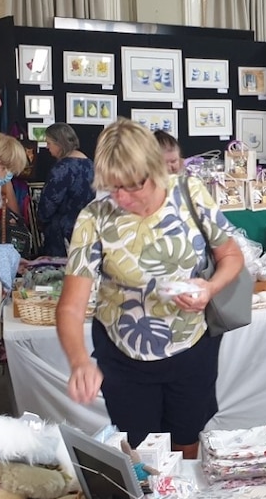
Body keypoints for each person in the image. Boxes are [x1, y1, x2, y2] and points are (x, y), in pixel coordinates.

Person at [56, 118, 245, 458]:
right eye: (114, 188)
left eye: (133, 185)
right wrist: (79, 361)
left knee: (187, 439)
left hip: (191, 345)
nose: (123, 197)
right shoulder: (95, 217)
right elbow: (71, 305)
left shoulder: (190, 193)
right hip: (124, 353)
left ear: (155, 169)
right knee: (140, 450)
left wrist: (210, 287)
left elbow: (230, 254)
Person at [38, 122, 95, 257]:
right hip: (88, 231)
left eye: (49, 143)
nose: (47, 147)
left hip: (62, 235)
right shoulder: (91, 165)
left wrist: (40, 220)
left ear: (59, 143)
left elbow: (47, 206)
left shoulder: (62, 168)